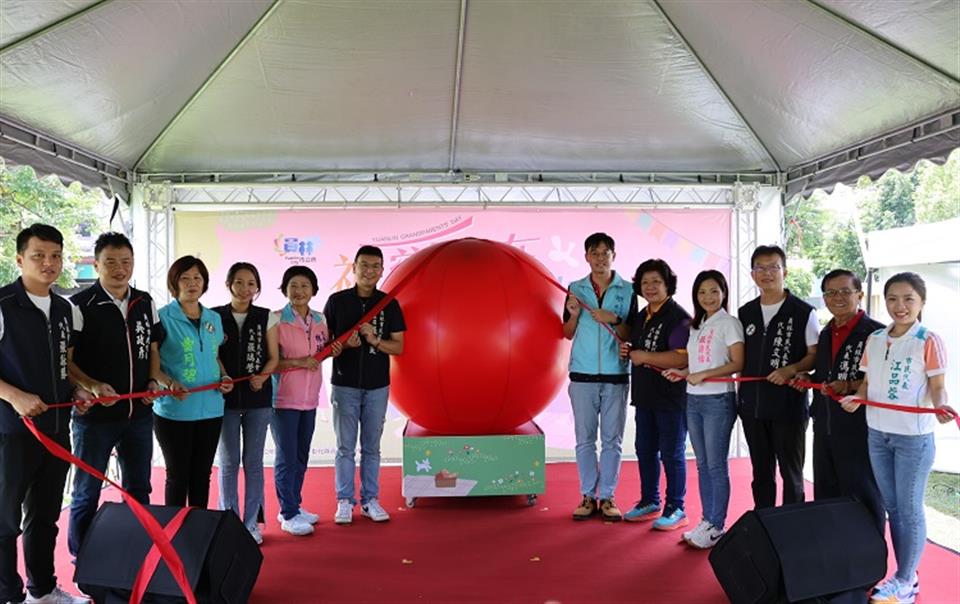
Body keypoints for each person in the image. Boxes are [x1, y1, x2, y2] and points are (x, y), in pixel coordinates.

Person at [841, 273, 955, 604]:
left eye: (908, 299)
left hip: (913, 439)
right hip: (877, 433)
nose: (899, 306)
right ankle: (907, 574)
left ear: (922, 302)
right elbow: (866, 383)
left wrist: (940, 405)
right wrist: (856, 399)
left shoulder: (928, 340)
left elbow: (937, 386)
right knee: (892, 507)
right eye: (893, 298)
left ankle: (905, 579)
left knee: (908, 509)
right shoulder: (875, 338)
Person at [0, 224, 92, 604]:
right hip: (11, 433)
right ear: (20, 259)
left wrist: (79, 391)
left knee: (45, 517)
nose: (48, 263)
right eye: (38, 255)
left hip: (56, 429)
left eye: (55, 255)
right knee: (5, 522)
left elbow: (62, 366)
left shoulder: (65, 309)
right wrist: (14, 396)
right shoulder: (3, 304)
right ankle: (8, 595)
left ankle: (42, 590)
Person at [67, 232, 162, 560]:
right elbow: (66, 361)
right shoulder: (79, 305)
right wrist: (91, 385)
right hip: (95, 420)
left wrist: (154, 380)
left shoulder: (145, 301)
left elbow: (152, 350)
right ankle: (82, 558)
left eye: (126, 262)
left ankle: (137, 553)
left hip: (139, 416)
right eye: (111, 262)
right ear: (96, 265)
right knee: (86, 492)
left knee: (139, 490)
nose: (120, 269)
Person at [792, 269, 884, 532]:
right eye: (831, 293)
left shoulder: (876, 334)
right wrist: (806, 376)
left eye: (845, 291)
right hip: (824, 424)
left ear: (860, 294)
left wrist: (848, 386)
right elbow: (824, 375)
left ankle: (869, 555)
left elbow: (881, 381)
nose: (838, 298)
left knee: (862, 491)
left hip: (859, 427)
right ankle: (832, 553)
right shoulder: (825, 333)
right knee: (827, 491)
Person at [324, 245, 405, 525]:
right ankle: (344, 501)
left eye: (375, 266)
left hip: (377, 386)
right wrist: (342, 346)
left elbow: (399, 347)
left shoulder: (389, 304)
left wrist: (375, 341)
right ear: (354, 268)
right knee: (345, 447)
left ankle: (370, 500)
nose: (369, 271)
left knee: (372, 447)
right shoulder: (337, 302)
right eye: (364, 265)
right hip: (344, 384)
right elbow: (324, 345)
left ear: (381, 270)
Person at [663, 270, 743, 548]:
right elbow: (697, 366)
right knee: (702, 464)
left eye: (714, 291)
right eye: (701, 292)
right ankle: (707, 520)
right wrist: (683, 371)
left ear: (723, 293)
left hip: (718, 400)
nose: (708, 297)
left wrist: (704, 375)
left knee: (716, 465)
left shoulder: (729, 323)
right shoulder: (697, 325)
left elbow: (737, 363)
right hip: (693, 398)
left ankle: (717, 524)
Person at [738, 245, 818, 508]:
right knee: (761, 473)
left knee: (791, 475)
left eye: (773, 267)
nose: (767, 273)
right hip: (752, 407)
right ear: (752, 274)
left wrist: (791, 369)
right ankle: (765, 525)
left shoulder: (803, 312)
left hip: (788, 408)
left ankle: (792, 530)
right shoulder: (745, 312)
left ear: (785, 271)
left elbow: (814, 355)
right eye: (760, 268)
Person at [563, 232, 635, 521]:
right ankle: (587, 496)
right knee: (584, 440)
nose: (600, 258)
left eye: (606, 252)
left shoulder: (628, 290)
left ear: (614, 256)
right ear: (586, 257)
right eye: (595, 252)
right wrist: (572, 314)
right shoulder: (575, 288)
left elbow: (633, 333)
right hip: (582, 374)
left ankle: (607, 496)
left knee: (612, 440)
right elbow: (567, 333)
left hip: (616, 374)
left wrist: (614, 319)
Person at [151, 256, 233, 508]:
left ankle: (199, 531)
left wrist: (225, 376)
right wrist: (168, 383)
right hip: (174, 412)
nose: (192, 283)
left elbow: (214, 355)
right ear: (174, 283)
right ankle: (173, 537)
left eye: (197, 278)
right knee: (177, 477)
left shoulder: (213, 318)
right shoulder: (161, 317)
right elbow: (152, 366)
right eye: (185, 278)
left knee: (202, 476)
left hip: (211, 408)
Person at [620, 259, 691, 530]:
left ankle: (677, 507)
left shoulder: (679, 317)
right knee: (645, 450)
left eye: (656, 282)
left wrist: (643, 356)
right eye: (645, 282)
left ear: (668, 285)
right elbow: (636, 349)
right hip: (645, 395)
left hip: (671, 398)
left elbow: (680, 359)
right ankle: (650, 500)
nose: (650, 287)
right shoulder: (642, 315)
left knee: (672, 453)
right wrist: (631, 352)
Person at [213, 262, 278, 545]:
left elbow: (274, 357)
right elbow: (212, 354)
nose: (245, 288)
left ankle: (251, 523)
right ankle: (229, 521)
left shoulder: (268, 317)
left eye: (251, 283)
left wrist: (263, 377)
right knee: (228, 463)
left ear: (257, 287)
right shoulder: (214, 316)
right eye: (239, 282)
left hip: (257, 401)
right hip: (224, 401)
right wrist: (223, 374)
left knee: (253, 462)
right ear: (229, 285)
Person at [269, 266, 331, 536]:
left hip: (309, 399)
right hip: (283, 399)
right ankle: (288, 513)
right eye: (293, 285)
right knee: (286, 457)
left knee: (301, 455)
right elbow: (270, 363)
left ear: (314, 290)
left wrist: (330, 352)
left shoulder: (320, 319)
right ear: (285, 289)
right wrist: (298, 362)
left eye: (305, 286)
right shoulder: (275, 320)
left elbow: (319, 353)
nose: (299, 291)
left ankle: (295, 503)